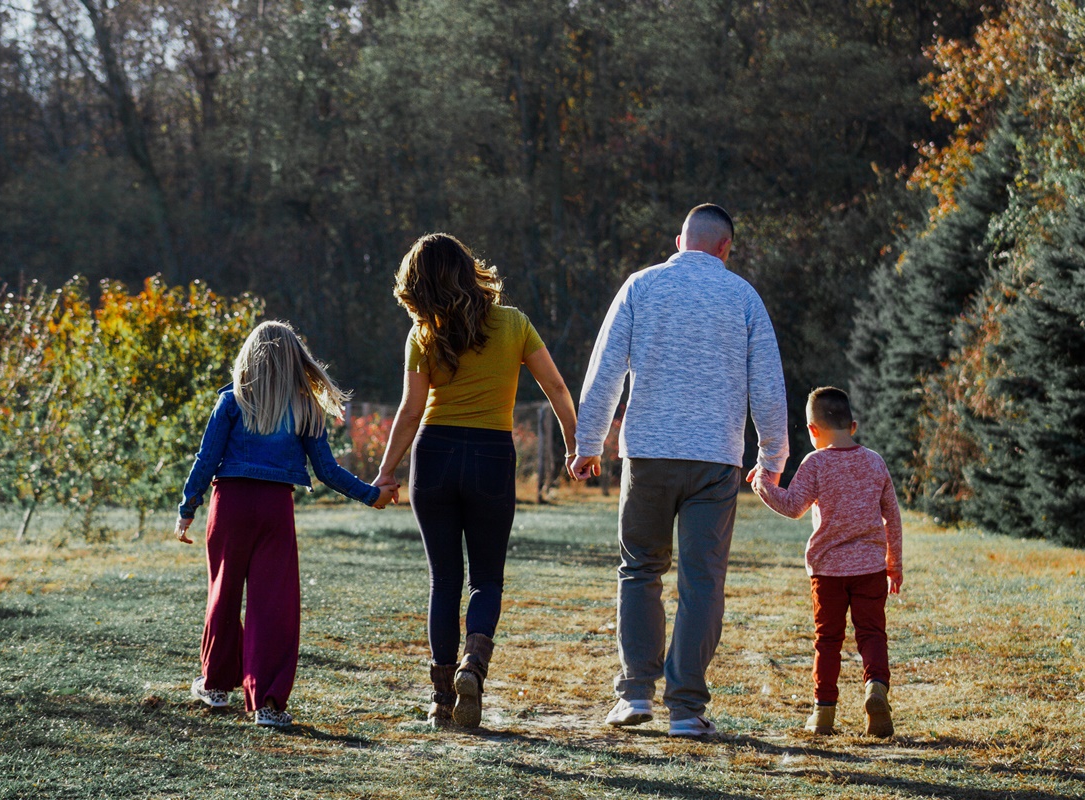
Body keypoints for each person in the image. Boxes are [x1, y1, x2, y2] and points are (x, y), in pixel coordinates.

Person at [569, 203, 788, 737]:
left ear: (678, 241)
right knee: (702, 581)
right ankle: (687, 709)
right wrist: (773, 459)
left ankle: (635, 695)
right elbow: (768, 386)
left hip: (648, 455)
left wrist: (588, 443)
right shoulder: (743, 297)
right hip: (715, 460)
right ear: (725, 247)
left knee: (640, 569)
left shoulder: (641, 286)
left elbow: (605, 370)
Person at [372, 233, 578, 730]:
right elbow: (555, 386)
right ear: (469, 269)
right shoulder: (514, 323)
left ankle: (442, 701)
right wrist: (576, 446)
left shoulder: (424, 334)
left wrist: (386, 471)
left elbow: (410, 409)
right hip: (490, 456)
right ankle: (473, 666)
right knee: (486, 579)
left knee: (444, 580)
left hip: (435, 455)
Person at [175, 320, 396, 728]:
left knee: (223, 593)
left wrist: (188, 507)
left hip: (230, 505)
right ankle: (268, 704)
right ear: (296, 360)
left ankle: (216, 687)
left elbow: (206, 459)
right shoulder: (306, 408)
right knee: (273, 604)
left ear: (249, 356)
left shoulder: (232, 401)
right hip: (275, 508)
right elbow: (327, 470)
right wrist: (371, 494)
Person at [751, 386, 902, 738]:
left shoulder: (815, 463)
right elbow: (892, 516)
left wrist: (761, 483)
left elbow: (792, 506)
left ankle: (823, 713)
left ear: (812, 429)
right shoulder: (874, 461)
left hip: (827, 571)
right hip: (870, 568)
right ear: (853, 426)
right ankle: (876, 687)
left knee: (828, 640)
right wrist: (893, 563)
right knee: (872, 633)